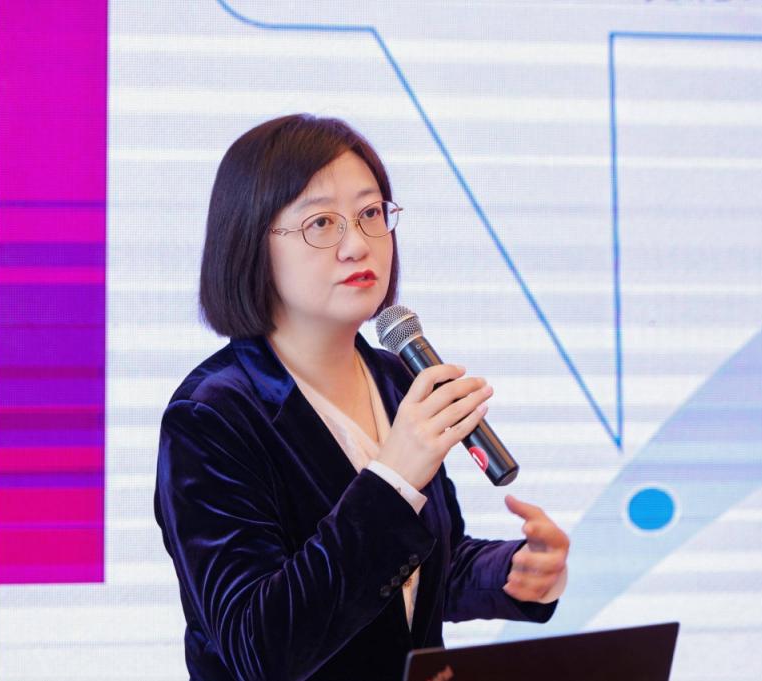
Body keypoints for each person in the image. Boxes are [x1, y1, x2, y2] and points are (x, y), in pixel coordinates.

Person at [154, 114, 569, 681]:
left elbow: (417, 572)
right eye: (322, 223)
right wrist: (394, 477)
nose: (357, 245)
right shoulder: (213, 415)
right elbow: (258, 647)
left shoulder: (398, 380)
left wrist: (512, 573)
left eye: (371, 214)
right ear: (250, 241)